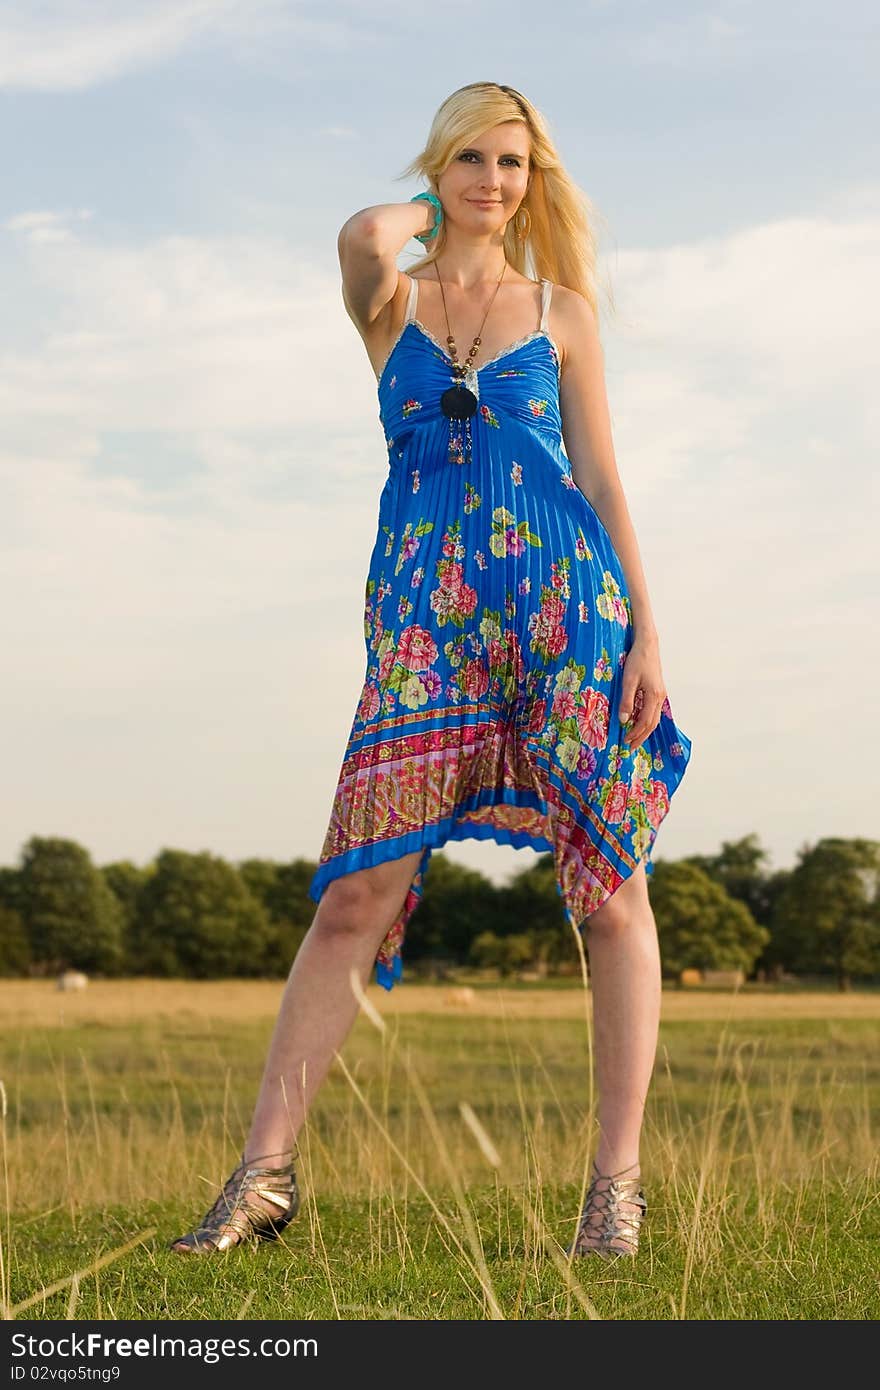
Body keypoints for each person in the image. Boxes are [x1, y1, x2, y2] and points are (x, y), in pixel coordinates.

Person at [170, 81, 692, 1260]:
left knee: (609, 892)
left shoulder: (561, 309)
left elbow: (604, 482)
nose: (492, 181)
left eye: (513, 164)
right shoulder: (388, 300)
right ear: (435, 167)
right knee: (356, 892)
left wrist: (647, 630)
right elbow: (362, 236)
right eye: (470, 158)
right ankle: (262, 1179)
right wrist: (429, 202)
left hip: (568, 615)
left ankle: (614, 1189)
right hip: (424, 629)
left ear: (534, 180)